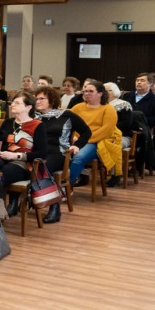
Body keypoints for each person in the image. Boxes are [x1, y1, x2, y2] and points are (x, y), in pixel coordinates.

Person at [33, 85, 91, 224]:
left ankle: (55, 206)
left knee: (44, 166)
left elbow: (86, 132)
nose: (38, 101)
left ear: (52, 100)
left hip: (59, 153)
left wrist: (76, 145)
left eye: (42, 99)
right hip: (37, 152)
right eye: (36, 99)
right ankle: (17, 201)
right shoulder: (33, 116)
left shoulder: (66, 115)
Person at [0, 92, 47, 217]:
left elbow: (42, 153)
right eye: (12, 102)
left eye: (17, 103)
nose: (12, 105)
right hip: (2, 159)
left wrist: (16, 156)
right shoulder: (8, 122)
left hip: (23, 164)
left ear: (28, 107)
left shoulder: (37, 125)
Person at [69, 80, 122, 187]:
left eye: (91, 91)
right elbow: (68, 125)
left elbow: (105, 131)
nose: (87, 93)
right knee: (57, 155)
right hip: (75, 140)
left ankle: (65, 185)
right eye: (85, 91)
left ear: (100, 93)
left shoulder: (108, 109)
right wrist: (73, 136)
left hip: (96, 142)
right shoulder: (77, 107)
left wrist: (82, 140)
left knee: (78, 157)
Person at [122, 72, 155, 175]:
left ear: (150, 83)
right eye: (137, 80)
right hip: (125, 128)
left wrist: (139, 120)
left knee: (142, 136)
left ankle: (138, 167)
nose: (139, 83)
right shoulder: (126, 96)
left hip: (143, 130)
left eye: (142, 80)